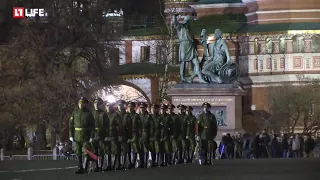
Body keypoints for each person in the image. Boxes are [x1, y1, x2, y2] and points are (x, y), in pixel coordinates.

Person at [171, 14, 207, 83]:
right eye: (191, 21)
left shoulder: (190, 30)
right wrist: (174, 16)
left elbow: (193, 39)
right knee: (183, 62)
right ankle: (182, 77)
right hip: (184, 46)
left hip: (191, 46)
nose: (191, 23)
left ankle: (200, 78)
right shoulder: (181, 27)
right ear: (187, 21)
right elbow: (175, 23)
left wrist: (201, 41)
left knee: (196, 62)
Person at [69, 97, 95, 174]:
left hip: (86, 135)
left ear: (85, 104)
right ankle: (80, 168)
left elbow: (92, 126)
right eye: (80, 103)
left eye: (82, 103)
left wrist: (91, 136)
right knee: (78, 152)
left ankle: (85, 168)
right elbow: (71, 125)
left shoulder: (88, 113)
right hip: (77, 135)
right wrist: (71, 135)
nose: (81, 104)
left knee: (86, 151)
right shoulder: (75, 112)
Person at [92, 97, 109, 172]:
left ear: (100, 105)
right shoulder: (91, 113)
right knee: (94, 151)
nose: (96, 105)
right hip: (94, 134)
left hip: (102, 134)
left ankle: (101, 166)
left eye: (98, 103)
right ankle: (96, 167)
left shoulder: (104, 114)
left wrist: (107, 135)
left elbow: (107, 125)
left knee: (101, 151)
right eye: (95, 103)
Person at [115, 100, 130, 170]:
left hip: (125, 135)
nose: (120, 106)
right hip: (117, 135)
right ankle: (118, 164)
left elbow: (130, 126)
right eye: (119, 105)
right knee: (118, 150)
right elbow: (113, 126)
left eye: (121, 105)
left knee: (125, 151)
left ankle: (124, 164)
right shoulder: (115, 115)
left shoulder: (127, 115)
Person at [138, 102, 154, 168]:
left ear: (145, 108)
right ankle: (141, 163)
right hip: (139, 134)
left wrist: (150, 135)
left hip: (146, 134)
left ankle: (145, 162)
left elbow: (152, 126)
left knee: (146, 149)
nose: (141, 109)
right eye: (140, 107)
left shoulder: (149, 116)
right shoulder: (138, 116)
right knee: (140, 149)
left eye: (143, 107)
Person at [127, 102, 141, 169]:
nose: (130, 108)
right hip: (127, 134)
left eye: (131, 106)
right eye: (128, 106)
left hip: (134, 134)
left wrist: (138, 135)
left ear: (134, 107)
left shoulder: (136, 116)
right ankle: (129, 162)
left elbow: (139, 126)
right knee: (128, 149)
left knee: (135, 149)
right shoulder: (126, 115)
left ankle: (133, 162)